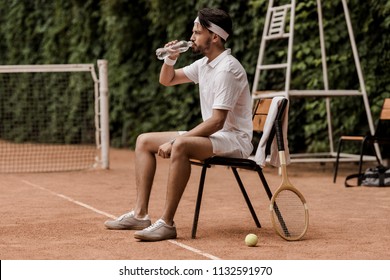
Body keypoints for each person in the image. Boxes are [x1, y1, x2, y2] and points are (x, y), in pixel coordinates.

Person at [104, 7, 253, 241]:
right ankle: (140, 214)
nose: (191, 37)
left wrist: (176, 141)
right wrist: (170, 58)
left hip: (234, 140)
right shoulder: (205, 64)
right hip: (215, 137)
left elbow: (216, 121)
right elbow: (167, 80)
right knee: (144, 141)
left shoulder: (227, 69)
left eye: (197, 32)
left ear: (214, 37)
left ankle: (167, 223)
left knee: (181, 147)